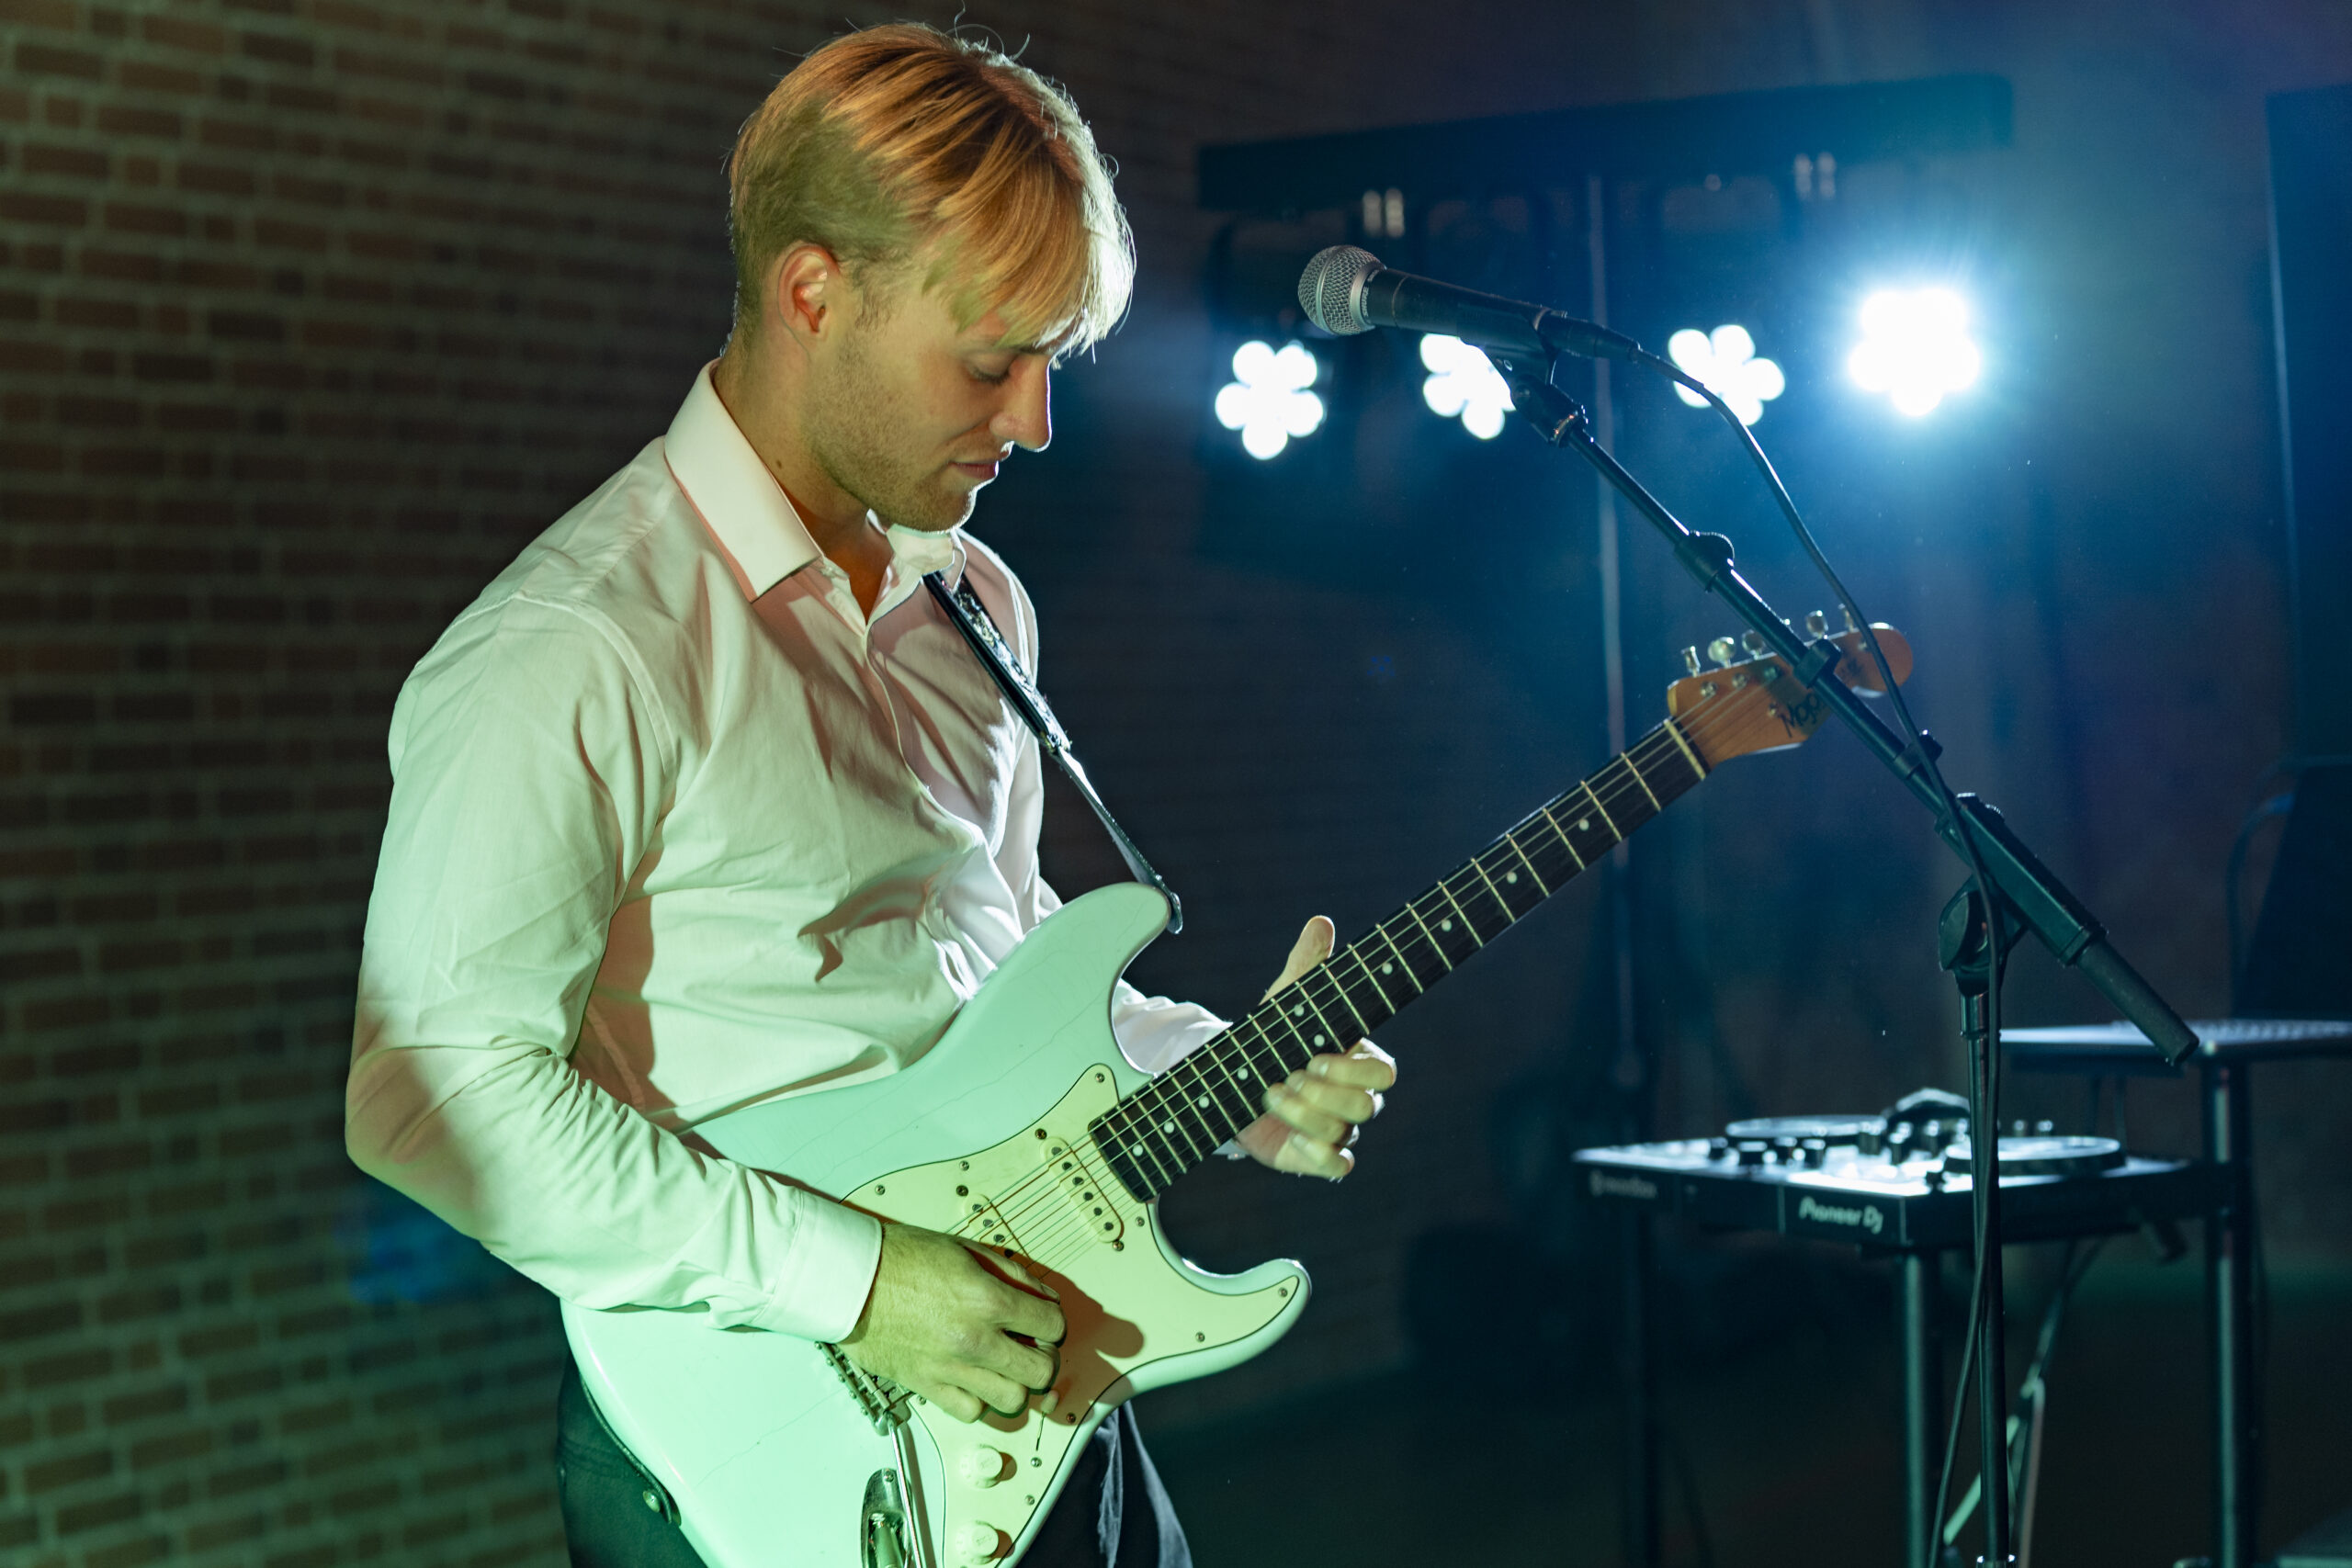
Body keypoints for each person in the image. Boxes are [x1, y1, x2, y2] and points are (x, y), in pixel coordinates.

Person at [345, 23, 1396, 1568]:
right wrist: (859, 1281)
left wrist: (1226, 1068)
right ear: (813, 291)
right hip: (772, 1453)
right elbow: (431, 1098)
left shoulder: (980, 601)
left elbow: (1002, 973)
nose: (1033, 421)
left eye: (1053, 363)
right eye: (990, 361)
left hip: (1041, 1410)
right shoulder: (577, 647)